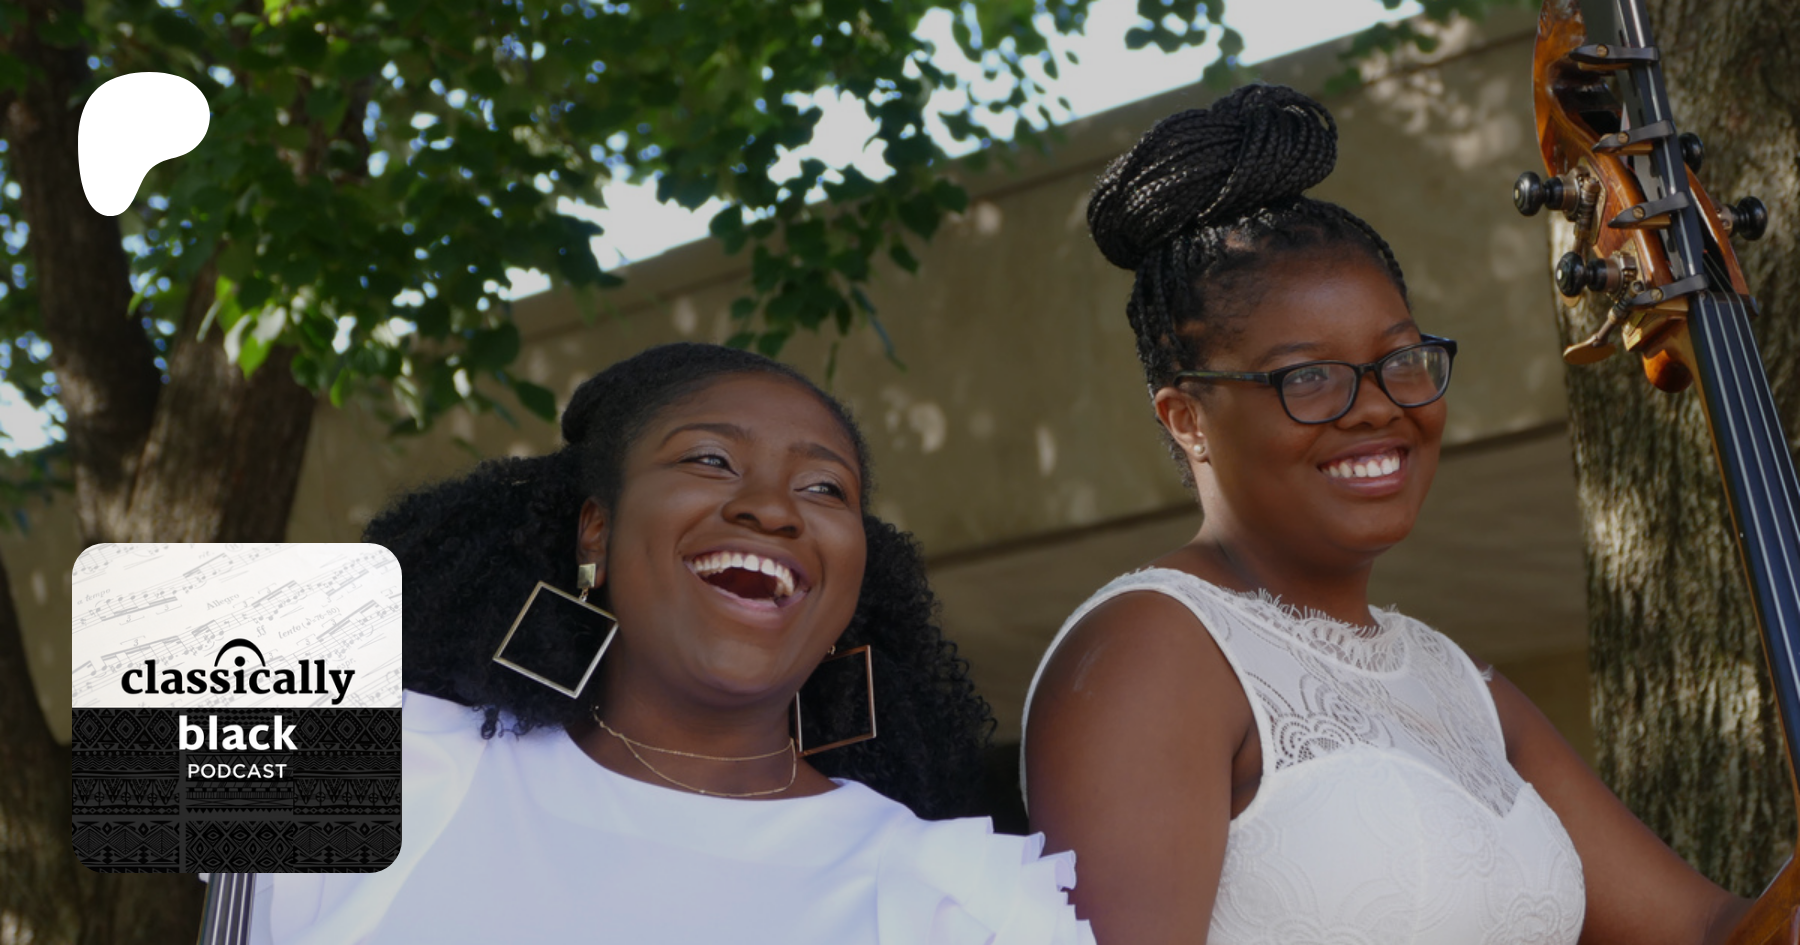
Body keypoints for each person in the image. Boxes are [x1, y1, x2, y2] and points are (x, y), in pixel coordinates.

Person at [1020, 83, 1779, 945]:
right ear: (1187, 417)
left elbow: (1710, 932)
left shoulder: (1455, 679)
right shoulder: (1150, 649)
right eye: (1309, 377)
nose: (1379, 405)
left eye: (1402, 360)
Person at [240, 343, 1093, 944]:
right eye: (710, 460)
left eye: (824, 486)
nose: (772, 507)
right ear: (596, 532)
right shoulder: (394, 768)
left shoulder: (959, 903)